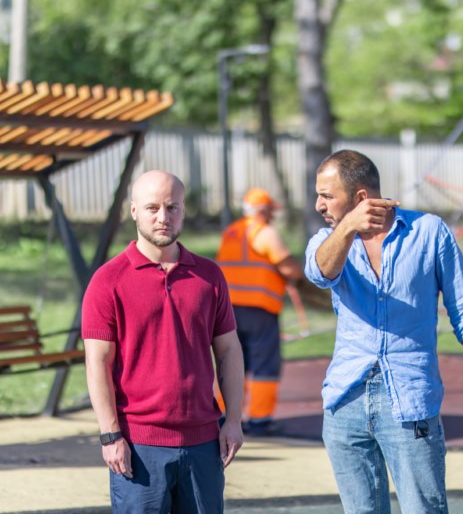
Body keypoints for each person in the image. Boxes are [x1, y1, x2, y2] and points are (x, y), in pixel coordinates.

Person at [305, 149, 463, 513]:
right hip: (345, 400)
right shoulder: (327, 240)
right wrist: (348, 227)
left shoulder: (429, 232)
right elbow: (319, 274)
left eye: (327, 196)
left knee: (424, 509)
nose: (318, 205)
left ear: (361, 197)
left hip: (410, 401)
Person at [82, 170, 245, 513]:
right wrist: (110, 435)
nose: (163, 217)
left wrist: (233, 420)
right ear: (133, 211)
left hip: (204, 442)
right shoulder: (108, 280)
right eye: (152, 208)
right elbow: (97, 362)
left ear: (183, 210)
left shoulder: (209, 276)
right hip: (138, 446)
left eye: (172, 207)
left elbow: (229, 351)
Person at [215, 188, 304, 435]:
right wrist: (300, 274)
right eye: (271, 211)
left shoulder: (231, 232)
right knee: (264, 365)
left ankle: (223, 415)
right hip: (260, 309)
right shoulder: (264, 233)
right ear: (264, 211)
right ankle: (260, 420)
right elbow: (290, 269)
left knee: (231, 362)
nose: (273, 216)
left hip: (229, 309)